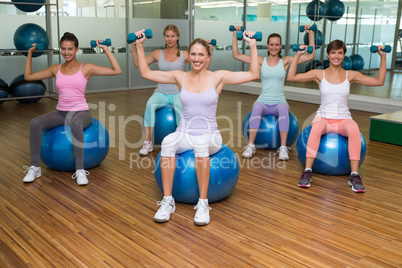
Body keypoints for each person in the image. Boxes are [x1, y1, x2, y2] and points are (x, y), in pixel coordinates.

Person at [134, 29, 259, 225]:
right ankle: (168, 201)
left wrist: (252, 45)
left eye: (201, 54)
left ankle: (202, 203)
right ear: (188, 56)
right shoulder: (180, 76)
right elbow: (145, 72)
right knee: (167, 142)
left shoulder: (217, 77)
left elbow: (253, 74)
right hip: (184, 132)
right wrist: (139, 46)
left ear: (208, 57)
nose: (197, 58)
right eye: (193, 54)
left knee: (201, 144)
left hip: (210, 135)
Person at [22, 32, 122, 186]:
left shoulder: (86, 68)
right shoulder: (57, 69)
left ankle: (80, 170)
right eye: (63, 49)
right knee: (35, 123)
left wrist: (105, 49)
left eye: (70, 49)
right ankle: (35, 167)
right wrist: (30, 53)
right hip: (61, 112)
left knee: (75, 123)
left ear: (76, 50)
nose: (66, 52)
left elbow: (116, 70)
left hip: (82, 112)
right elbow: (28, 76)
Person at [287, 39, 386, 192]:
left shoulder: (350, 75)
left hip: (343, 118)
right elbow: (291, 77)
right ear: (328, 55)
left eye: (340, 53)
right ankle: (307, 172)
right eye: (333, 53)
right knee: (316, 128)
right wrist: (298, 55)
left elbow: (379, 81)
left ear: (344, 55)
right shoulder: (319, 74)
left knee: (353, 128)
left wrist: (383, 57)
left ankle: (354, 175)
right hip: (323, 117)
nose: (336, 56)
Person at [231, 26, 316, 160]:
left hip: (279, 101)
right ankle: (251, 145)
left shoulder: (286, 61)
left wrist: (310, 34)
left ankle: (282, 148)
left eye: (277, 44)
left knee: (283, 108)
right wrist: (235, 34)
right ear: (267, 45)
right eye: (272, 44)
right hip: (263, 100)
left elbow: (310, 55)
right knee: (256, 106)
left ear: (280, 45)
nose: (274, 47)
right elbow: (236, 55)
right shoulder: (260, 60)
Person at [131, 24, 213, 156]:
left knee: (182, 110)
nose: (170, 39)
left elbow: (203, 66)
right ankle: (148, 143)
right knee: (149, 106)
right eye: (167, 36)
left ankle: (183, 141)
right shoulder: (158, 54)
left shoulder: (185, 54)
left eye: (172, 36)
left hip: (178, 93)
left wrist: (210, 51)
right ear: (164, 37)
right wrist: (134, 46)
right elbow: (137, 64)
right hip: (161, 92)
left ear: (177, 37)